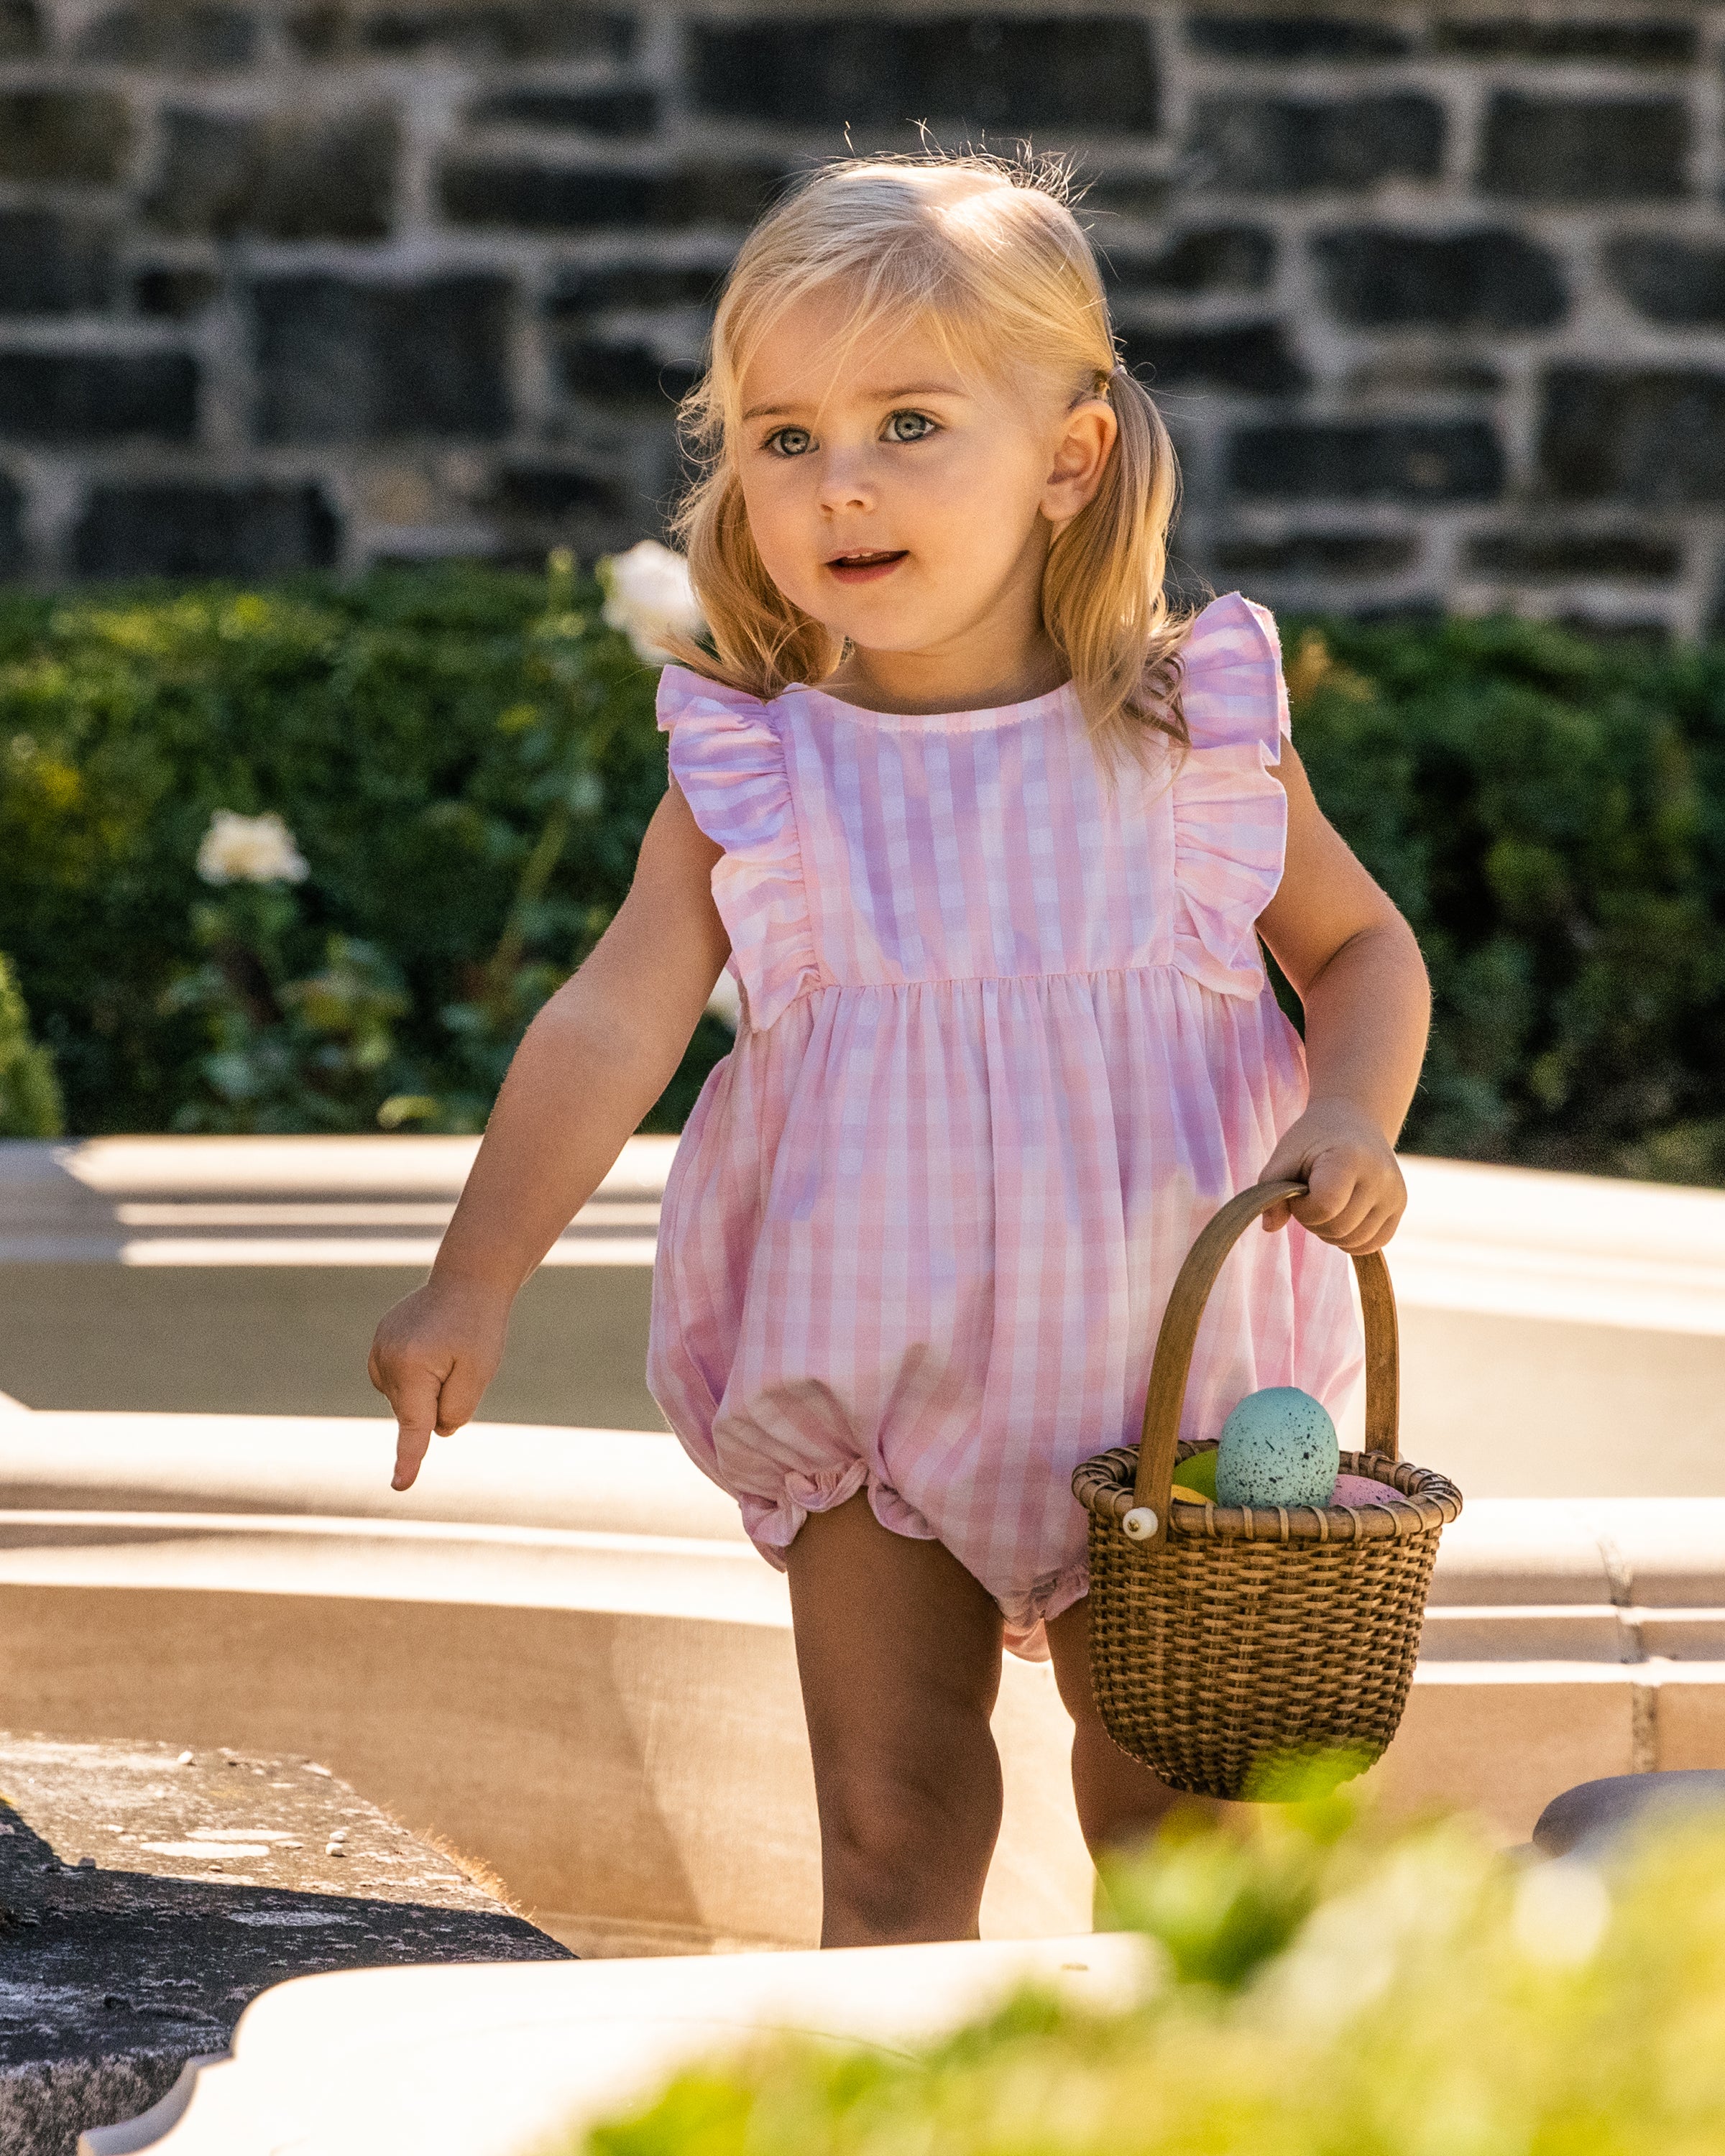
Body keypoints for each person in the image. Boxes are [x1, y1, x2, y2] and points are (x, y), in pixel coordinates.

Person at [368, 153, 1431, 1950]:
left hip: (1160, 1400)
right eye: (782, 438)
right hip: (872, 1396)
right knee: (888, 1823)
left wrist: (1347, 1111)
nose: (838, 481)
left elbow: (1360, 944)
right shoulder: (760, 776)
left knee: (1181, 1832)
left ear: (1070, 460)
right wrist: (471, 1282)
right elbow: (610, 1019)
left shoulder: (1194, 734)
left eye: (909, 422)